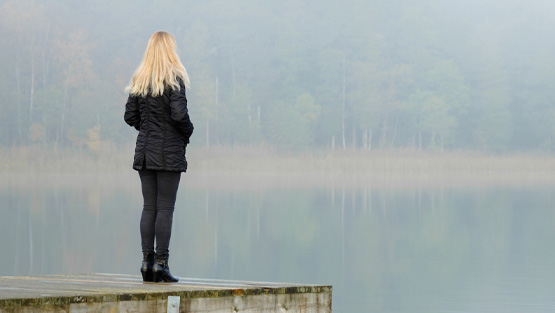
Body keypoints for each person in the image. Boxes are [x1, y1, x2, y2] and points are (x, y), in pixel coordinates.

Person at [124, 31, 194, 283]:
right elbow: (178, 115)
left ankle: (146, 263)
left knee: (149, 207)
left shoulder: (140, 79)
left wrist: (149, 130)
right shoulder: (174, 79)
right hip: (169, 152)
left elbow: (130, 116)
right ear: (170, 50)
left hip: (145, 151)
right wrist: (188, 131)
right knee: (165, 208)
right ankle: (162, 265)